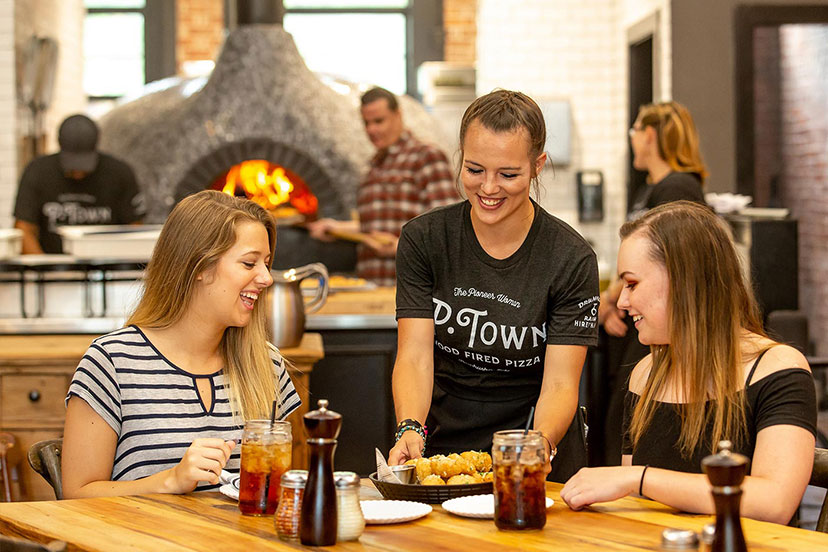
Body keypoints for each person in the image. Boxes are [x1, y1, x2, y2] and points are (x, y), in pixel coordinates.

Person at [388, 90, 600, 481]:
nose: (488, 188)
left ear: (538, 166)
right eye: (474, 169)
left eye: (508, 174)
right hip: (444, 442)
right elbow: (416, 355)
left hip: (535, 441)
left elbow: (559, 382)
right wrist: (409, 427)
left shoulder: (570, 258)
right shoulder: (425, 240)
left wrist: (535, 448)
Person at [561, 201, 816, 524]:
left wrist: (638, 478)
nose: (623, 302)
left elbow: (774, 501)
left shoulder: (778, 369)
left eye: (632, 283)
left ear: (684, 281)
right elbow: (639, 512)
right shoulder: (645, 374)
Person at [61, 190, 300, 498]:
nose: (266, 278)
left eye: (266, 263)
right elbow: (76, 496)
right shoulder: (112, 363)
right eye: (249, 263)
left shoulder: (267, 364)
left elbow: (286, 489)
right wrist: (171, 481)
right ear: (199, 266)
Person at [597, 100, 709, 465]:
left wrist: (614, 297)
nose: (632, 141)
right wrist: (617, 298)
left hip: (664, 321)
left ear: (648, 135)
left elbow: (667, 262)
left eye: (633, 132)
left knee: (628, 414)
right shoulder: (651, 188)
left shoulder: (678, 187)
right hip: (640, 317)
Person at [308, 87, 460, 286]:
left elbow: (448, 227)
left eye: (379, 121)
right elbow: (377, 228)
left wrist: (399, 247)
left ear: (398, 115)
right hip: (372, 289)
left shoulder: (426, 157)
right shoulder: (372, 167)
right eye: (366, 123)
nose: (371, 130)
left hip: (412, 290)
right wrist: (336, 228)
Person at [13, 114, 145, 254]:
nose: (78, 173)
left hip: (108, 266)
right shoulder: (37, 172)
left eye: (84, 166)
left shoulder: (120, 173)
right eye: (72, 168)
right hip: (53, 267)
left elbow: (135, 228)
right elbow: (24, 229)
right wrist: (46, 269)